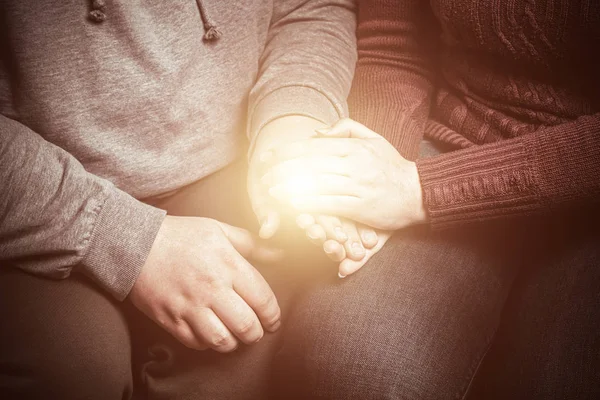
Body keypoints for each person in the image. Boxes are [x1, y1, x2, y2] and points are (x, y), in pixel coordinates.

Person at [0, 1, 364, 398]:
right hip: (31, 199)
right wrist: (126, 238)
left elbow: (308, 9)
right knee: (73, 369)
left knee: (238, 360)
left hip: (234, 164)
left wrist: (292, 119)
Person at [266, 0, 600, 398]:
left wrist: (419, 189)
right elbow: (393, 45)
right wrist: (373, 175)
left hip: (586, 196)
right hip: (452, 138)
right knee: (350, 367)